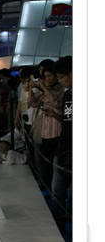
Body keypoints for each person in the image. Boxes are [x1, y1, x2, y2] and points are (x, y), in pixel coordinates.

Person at [27, 60, 65, 191]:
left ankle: (57, 192)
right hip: (45, 132)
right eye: (45, 76)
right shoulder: (46, 90)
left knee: (57, 166)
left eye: (50, 76)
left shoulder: (62, 90)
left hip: (57, 132)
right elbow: (32, 103)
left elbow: (56, 103)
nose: (47, 79)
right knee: (44, 163)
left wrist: (44, 88)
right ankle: (47, 187)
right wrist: (31, 88)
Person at [51, 56, 73, 229]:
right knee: (57, 190)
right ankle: (57, 225)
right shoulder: (68, 94)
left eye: (62, 77)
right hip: (63, 149)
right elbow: (67, 121)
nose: (60, 81)